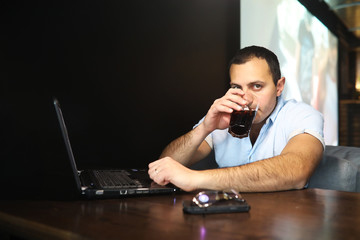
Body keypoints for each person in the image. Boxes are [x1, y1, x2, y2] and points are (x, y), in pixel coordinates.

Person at [148, 46, 324, 192]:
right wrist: (204, 129)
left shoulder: (302, 115)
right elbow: (164, 166)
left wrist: (194, 178)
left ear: (279, 87)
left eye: (256, 86)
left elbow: (296, 171)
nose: (246, 98)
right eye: (237, 87)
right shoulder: (224, 115)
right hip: (229, 220)